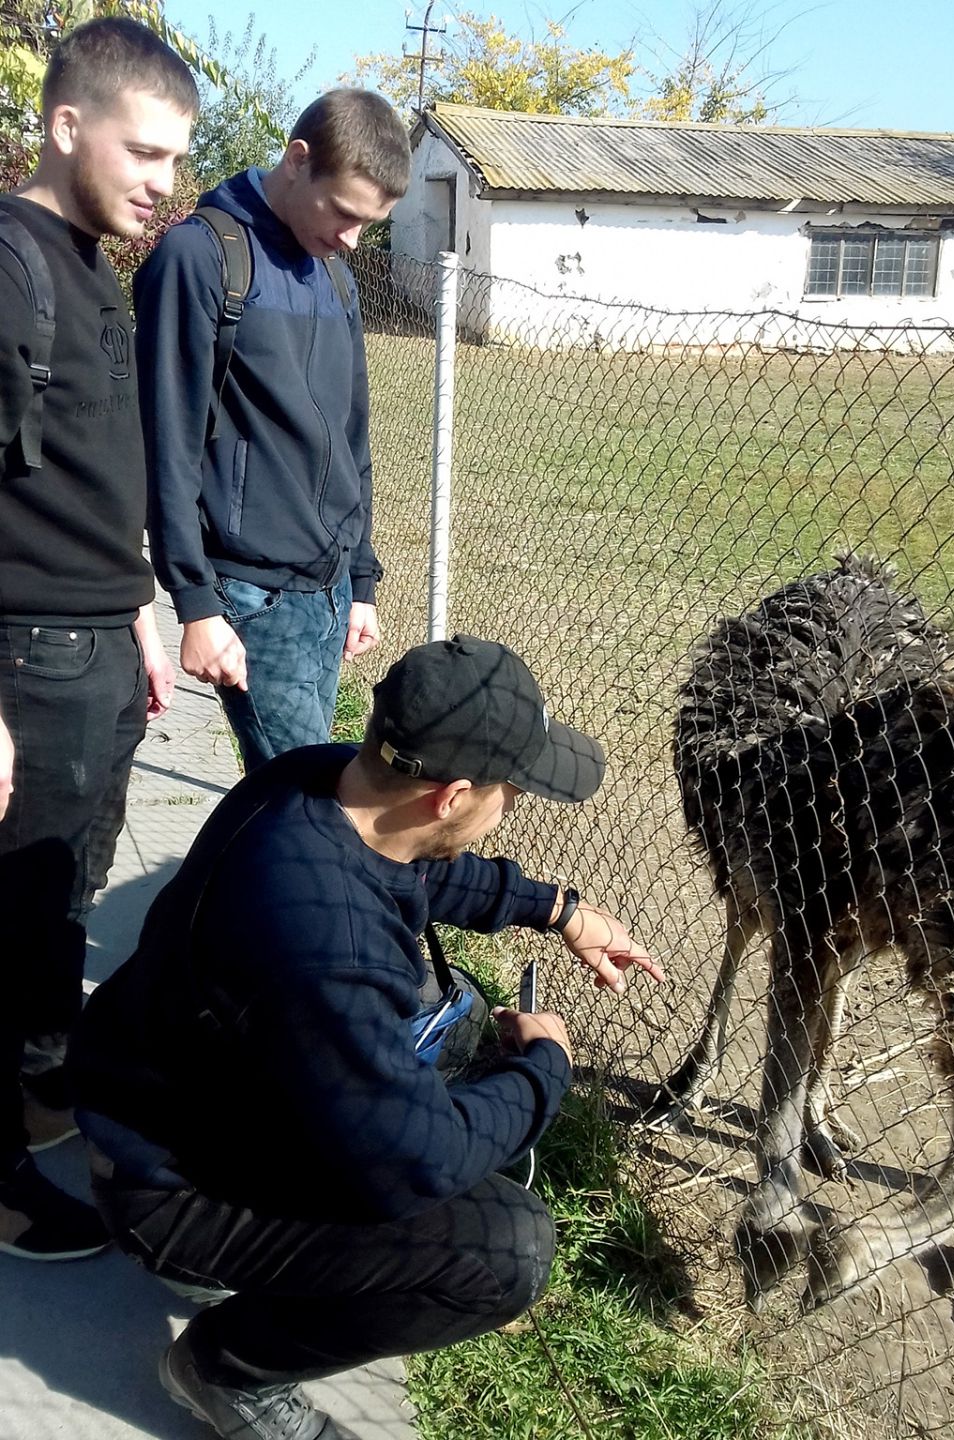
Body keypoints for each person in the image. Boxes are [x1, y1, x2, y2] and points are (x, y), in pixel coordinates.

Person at [69, 635, 664, 1440]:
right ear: (451, 797)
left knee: (437, 1036)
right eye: (511, 792)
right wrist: (543, 1067)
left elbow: (421, 866)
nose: (510, 807)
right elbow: (416, 1165)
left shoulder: (314, 779)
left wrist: (559, 910)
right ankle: (226, 1367)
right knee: (504, 1250)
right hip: (175, 1190)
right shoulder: (330, 951)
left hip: (159, 1098)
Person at [0, 18, 197, 1262]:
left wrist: (137, 603)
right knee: (11, 917)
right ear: (68, 125)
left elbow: (76, 467)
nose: (163, 183)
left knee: (60, 899)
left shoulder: (84, 262)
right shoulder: (7, 266)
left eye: (176, 160)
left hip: (97, 641)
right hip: (25, 659)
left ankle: (37, 1089)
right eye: (146, 152)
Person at [135, 88, 411, 773]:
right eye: (344, 212)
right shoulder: (199, 258)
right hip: (250, 593)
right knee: (309, 798)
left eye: (369, 223)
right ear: (297, 159)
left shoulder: (335, 275)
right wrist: (195, 605)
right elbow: (166, 448)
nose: (351, 239)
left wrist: (361, 580)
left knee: (291, 796)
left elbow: (351, 437)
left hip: (330, 587)